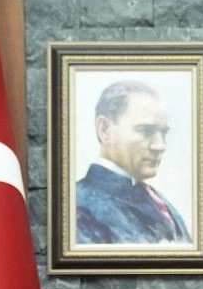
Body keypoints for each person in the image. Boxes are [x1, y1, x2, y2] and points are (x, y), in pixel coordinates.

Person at [76, 79, 191, 245]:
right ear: (105, 129)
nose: (160, 146)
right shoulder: (79, 206)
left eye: (163, 133)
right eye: (146, 131)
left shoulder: (156, 198)